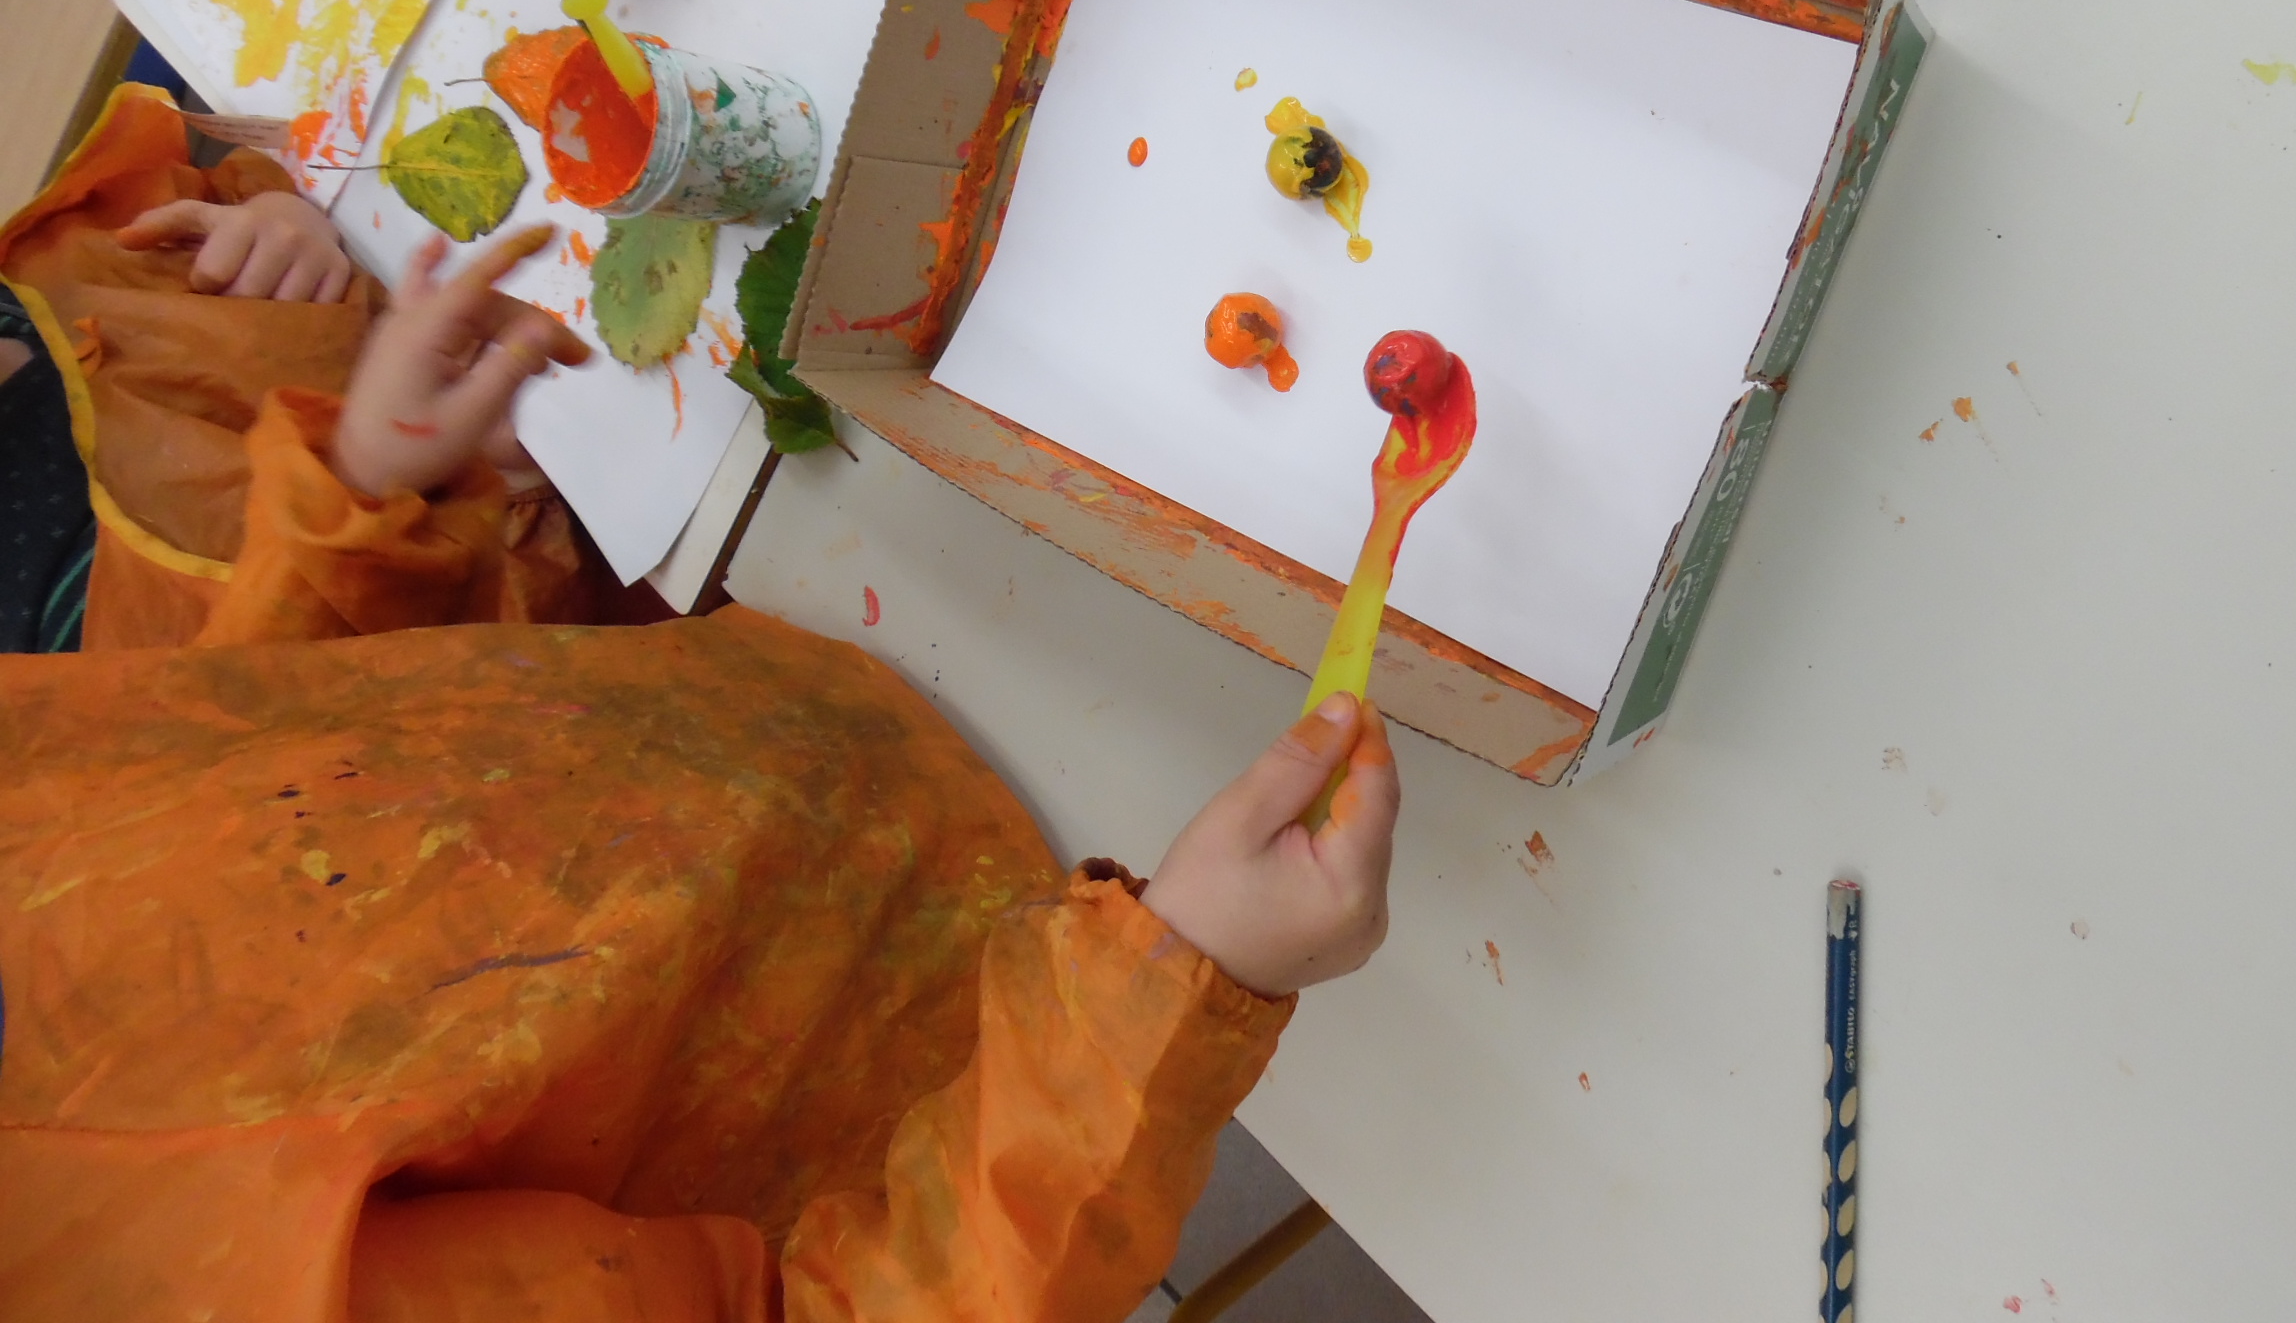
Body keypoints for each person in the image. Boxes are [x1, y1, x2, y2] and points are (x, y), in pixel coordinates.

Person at [0, 111, 1402, 1323]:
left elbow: (206, 810)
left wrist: (355, 518)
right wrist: (1165, 994)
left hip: (783, 693)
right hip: (1004, 997)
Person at [0, 84, 612, 649]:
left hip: (550, 285)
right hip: (600, 530)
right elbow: (357, 702)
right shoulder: (69, 639)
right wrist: (381, 480)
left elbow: (232, 185)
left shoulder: (34, 281)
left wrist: (278, 218)